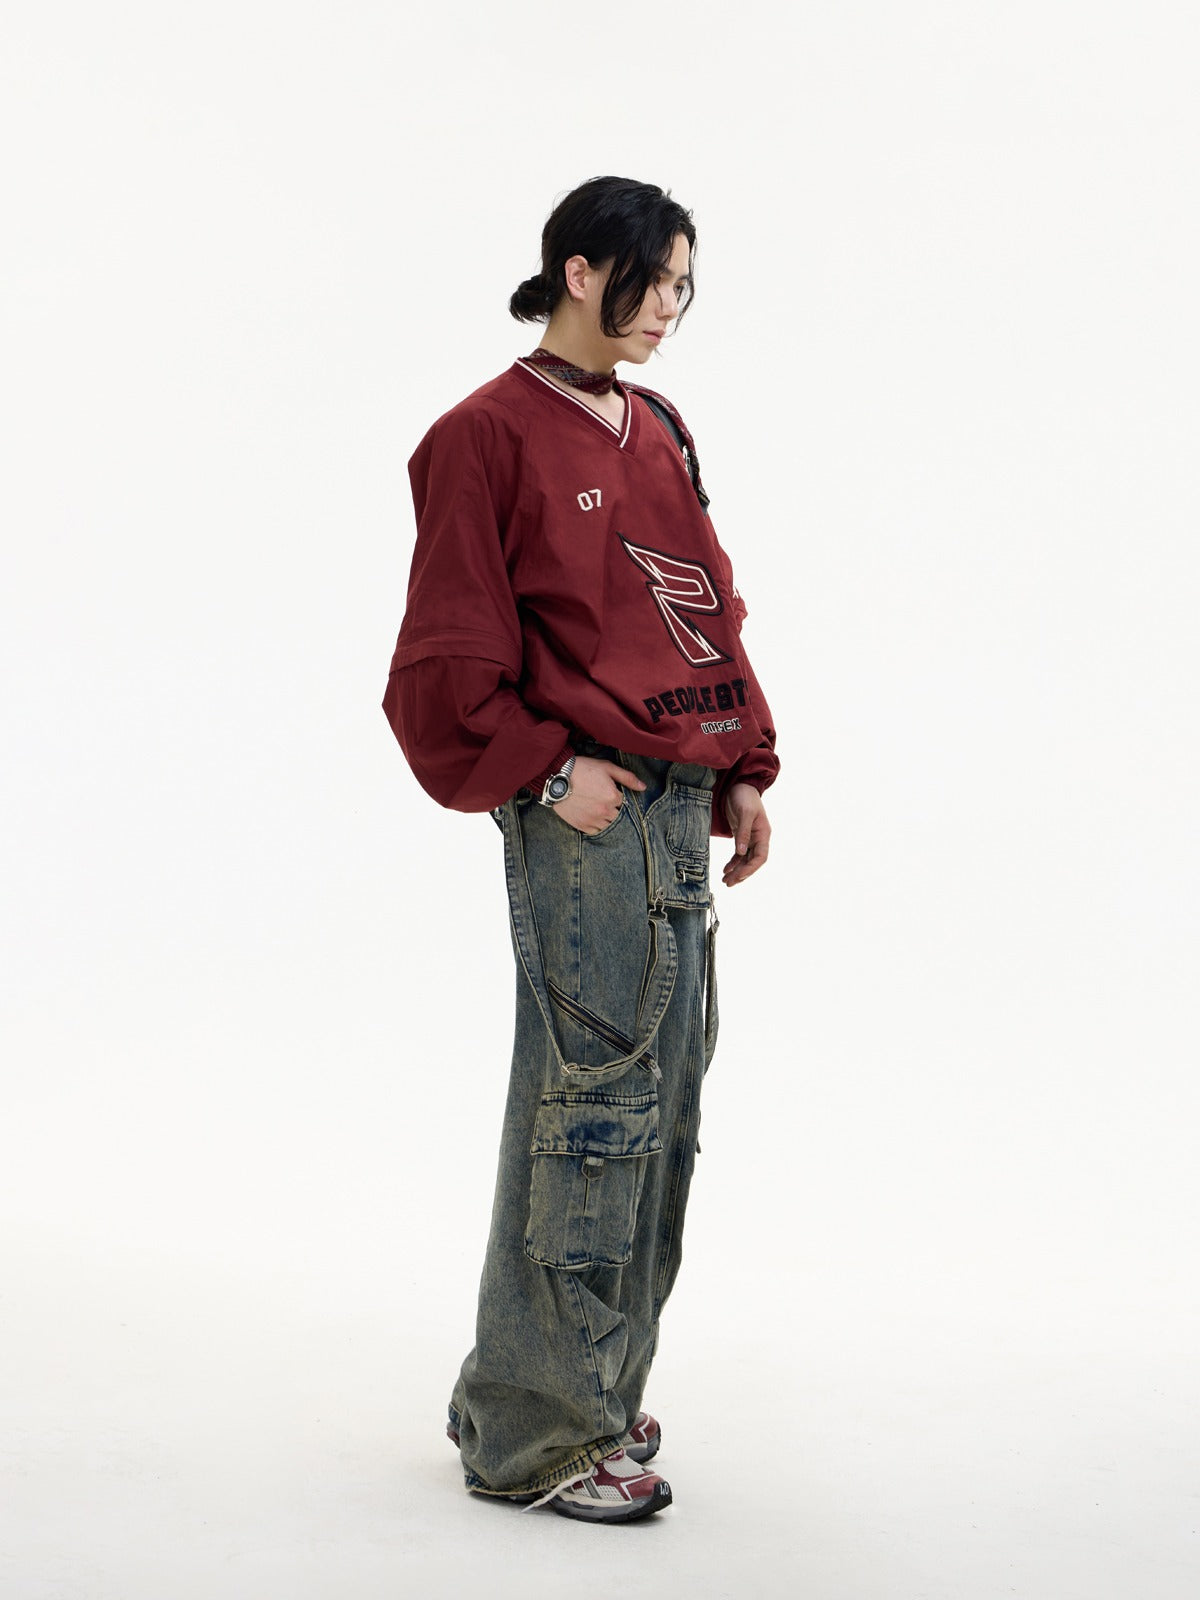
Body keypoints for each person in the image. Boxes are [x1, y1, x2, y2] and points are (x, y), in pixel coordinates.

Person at [382, 176, 779, 1523]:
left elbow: (706, 608)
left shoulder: (658, 425)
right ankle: (538, 1433)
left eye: (683, 286)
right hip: (588, 815)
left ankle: (572, 1389)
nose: (668, 308)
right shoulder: (481, 435)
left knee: (659, 1111)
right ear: (577, 270)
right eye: (651, 279)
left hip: (675, 805)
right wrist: (549, 773)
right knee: (590, 1111)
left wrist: (743, 762)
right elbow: (444, 653)